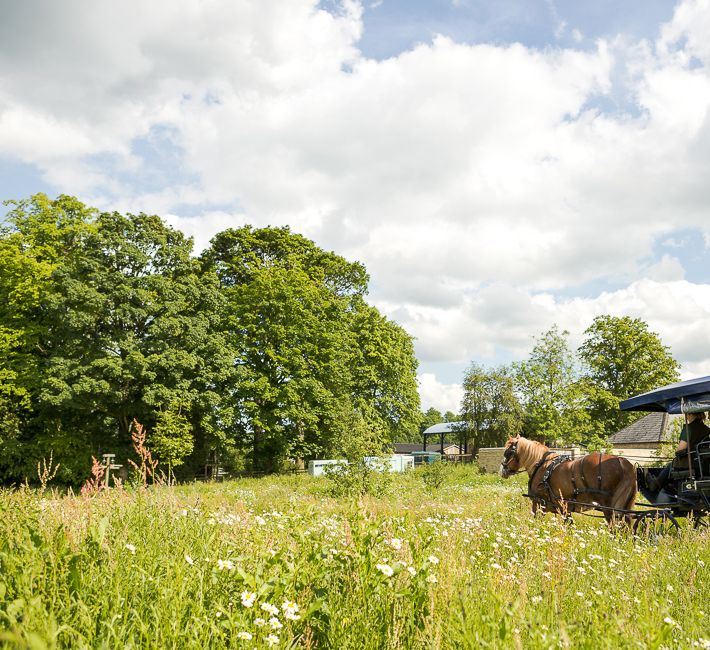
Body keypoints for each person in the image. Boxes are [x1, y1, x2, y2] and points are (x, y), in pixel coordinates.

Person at [649, 411, 710, 493]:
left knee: (672, 464)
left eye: (687, 414)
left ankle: (656, 484)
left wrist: (677, 451)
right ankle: (667, 485)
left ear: (690, 414)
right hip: (703, 464)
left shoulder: (689, 428)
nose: (686, 416)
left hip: (690, 463)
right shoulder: (706, 429)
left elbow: (680, 450)